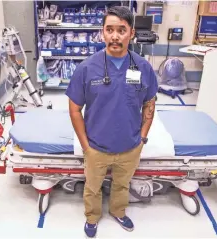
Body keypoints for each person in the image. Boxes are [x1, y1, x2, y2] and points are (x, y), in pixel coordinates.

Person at [65, 6, 158, 238]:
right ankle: (92, 217)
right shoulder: (86, 68)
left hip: (130, 146)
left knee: (121, 186)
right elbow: (74, 108)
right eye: (110, 30)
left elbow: (150, 103)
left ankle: (118, 211)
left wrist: (142, 138)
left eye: (121, 30)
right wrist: (86, 146)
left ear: (132, 33)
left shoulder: (143, 67)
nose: (115, 36)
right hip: (96, 147)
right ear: (102, 33)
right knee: (92, 187)